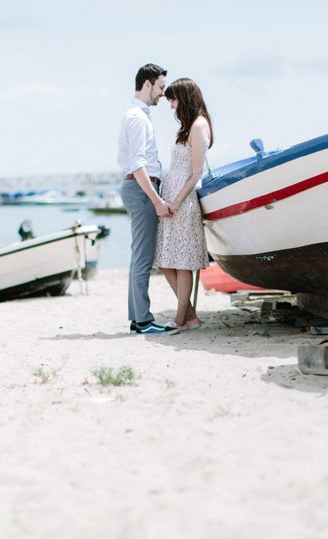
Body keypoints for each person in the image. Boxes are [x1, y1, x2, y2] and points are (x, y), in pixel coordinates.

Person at [117, 63, 179, 335]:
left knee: (138, 256)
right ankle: (143, 321)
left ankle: (137, 318)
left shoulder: (137, 115)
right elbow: (138, 165)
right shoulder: (137, 118)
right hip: (141, 188)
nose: (163, 94)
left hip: (138, 188)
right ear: (147, 84)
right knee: (143, 258)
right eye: (161, 87)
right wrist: (156, 200)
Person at [153, 78, 213, 331]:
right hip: (172, 198)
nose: (172, 106)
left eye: (174, 100)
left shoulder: (199, 126)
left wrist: (177, 201)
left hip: (183, 201)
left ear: (185, 99)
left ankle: (181, 321)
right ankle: (189, 315)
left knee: (181, 261)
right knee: (165, 260)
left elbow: (196, 171)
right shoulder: (189, 126)